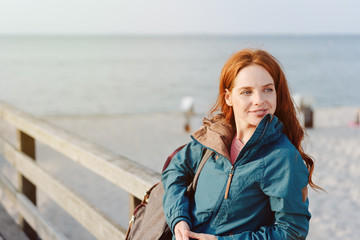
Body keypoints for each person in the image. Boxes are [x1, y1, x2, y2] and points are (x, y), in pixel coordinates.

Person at [162, 48, 320, 240]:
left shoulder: (284, 158)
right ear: (228, 97)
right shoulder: (214, 138)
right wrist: (179, 218)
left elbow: (291, 232)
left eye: (267, 90)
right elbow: (175, 170)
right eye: (247, 92)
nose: (259, 101)